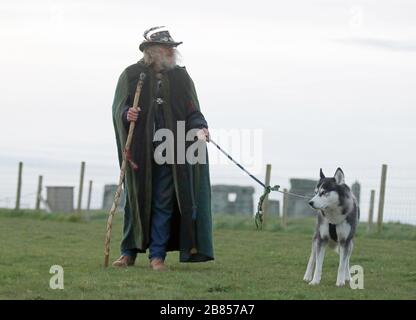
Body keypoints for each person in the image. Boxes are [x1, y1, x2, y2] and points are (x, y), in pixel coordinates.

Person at [111, 26, 214, 271]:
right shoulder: (131, 75)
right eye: (167, 48)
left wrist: (200, 128)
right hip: (139, 152)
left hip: (172, 150)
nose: (171, 51)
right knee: (135, 201)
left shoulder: (181, 77)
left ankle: (157, 257)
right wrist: (128, 113)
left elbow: (192, 111)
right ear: (152, 51)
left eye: (172, 48)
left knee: (164, 202)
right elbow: (119, 109)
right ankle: (128, 252)